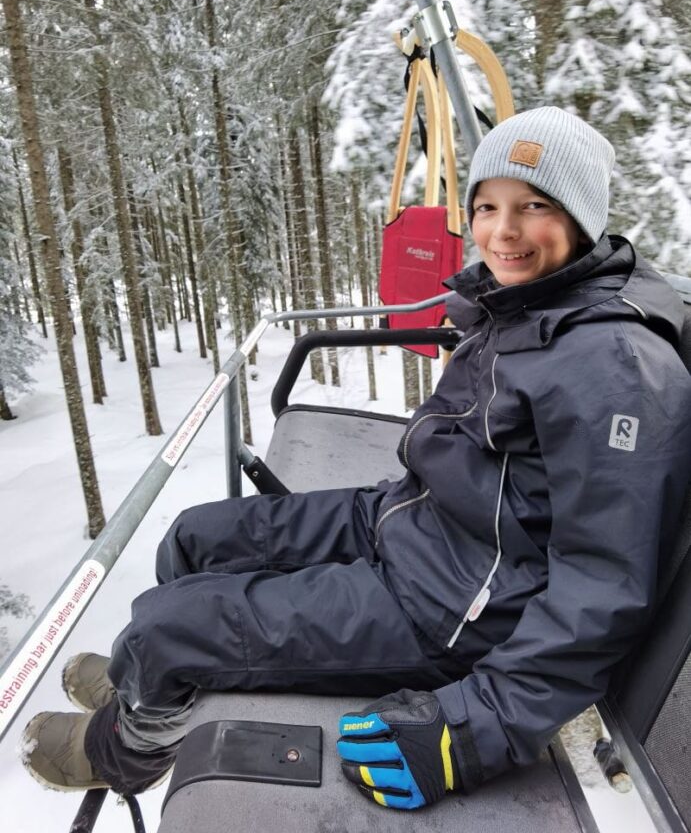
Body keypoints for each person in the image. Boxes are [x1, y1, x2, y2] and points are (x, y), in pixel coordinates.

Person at [23, 106, 691, 809]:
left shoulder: (613, 367)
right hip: (411, 523)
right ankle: (151, 684)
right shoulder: (530, 306)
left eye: (533, 206)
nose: (503, 230)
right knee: (196, 536)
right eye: (487, 206)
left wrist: (476, 726)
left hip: (454, 612)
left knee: (168, 627)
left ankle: (130, 747)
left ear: (582, 216)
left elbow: (603, 586)